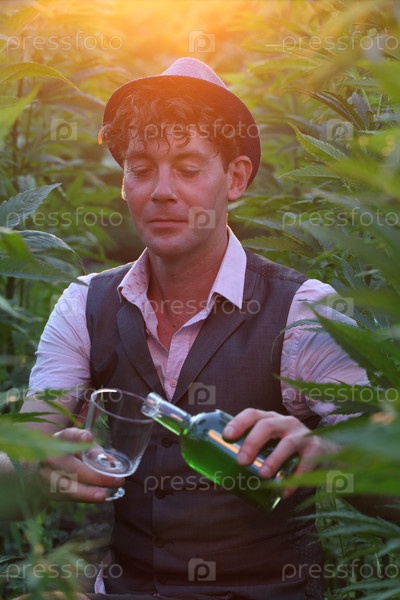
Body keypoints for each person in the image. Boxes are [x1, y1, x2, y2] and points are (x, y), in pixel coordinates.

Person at [5, 58, 369, 599]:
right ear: (124, 183)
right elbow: (20, 458)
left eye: (189, 168)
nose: (162, 191)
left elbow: (386, 470)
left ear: (235, 179)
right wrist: (36, 470)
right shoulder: (86, 304)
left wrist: (330, 453)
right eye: (141, 168)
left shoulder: (302, 311)